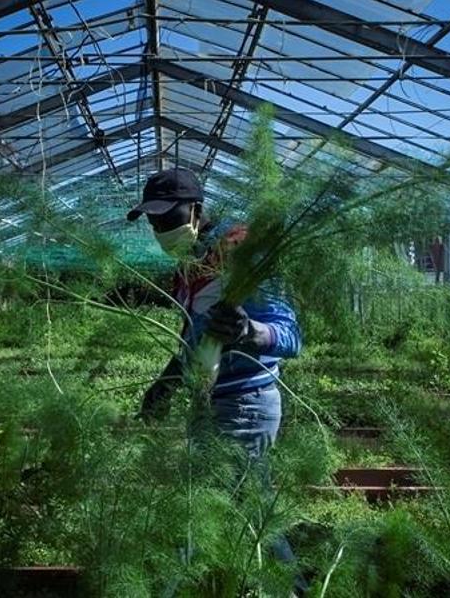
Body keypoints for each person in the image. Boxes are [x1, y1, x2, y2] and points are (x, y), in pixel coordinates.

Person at [128, 167, 305, 592]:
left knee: (197, 512)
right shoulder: (188, 268)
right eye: (153, 221)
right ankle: (292, 588)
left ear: (197, 211)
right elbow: (193, 338)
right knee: (250, 509)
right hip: (207, 403)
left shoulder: (241, 250)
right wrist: (166, 383)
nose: (160, 229)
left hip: (245, 403)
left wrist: (250, 332)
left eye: (168, 218)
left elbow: (291, 336)